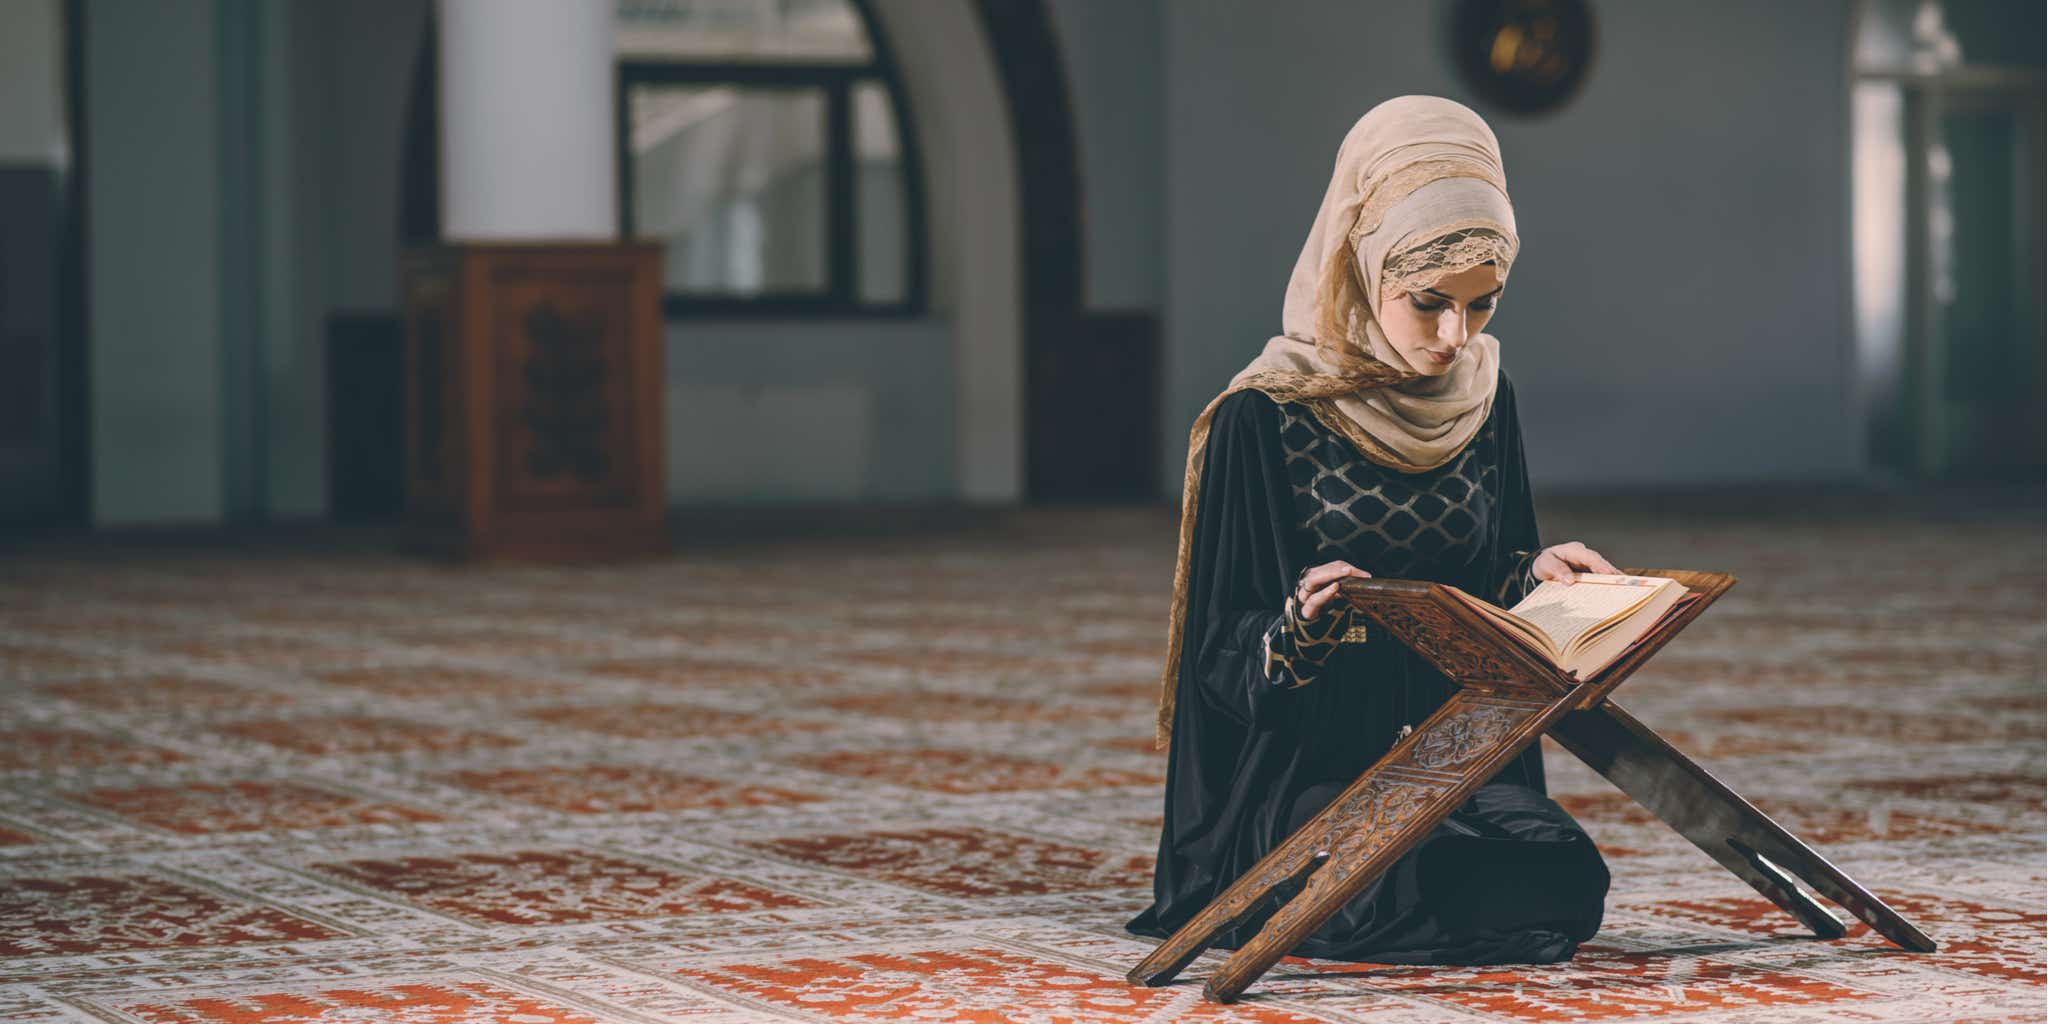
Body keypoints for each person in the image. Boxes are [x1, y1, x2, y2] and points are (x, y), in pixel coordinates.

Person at [1125, 95, 1621, 965]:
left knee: (1559, 878)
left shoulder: (1484, 395)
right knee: (1417, 886)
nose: (1453, 336)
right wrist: (1300, 628)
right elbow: (1221, 660)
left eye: (1482, 305)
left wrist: (1536, 576)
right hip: (1304, 763)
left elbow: (1482, 576)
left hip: (1449, 757)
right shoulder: (1265, 417)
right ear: (1363, 266)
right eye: (1428, 301)